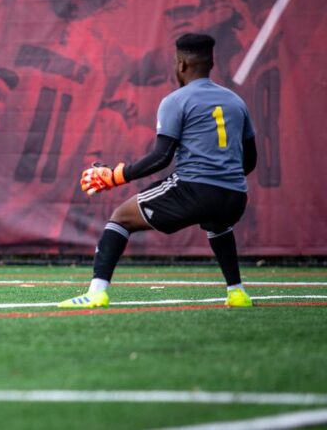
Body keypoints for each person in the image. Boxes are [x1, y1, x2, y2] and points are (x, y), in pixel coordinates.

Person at [58, 33, 257, 309]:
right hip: (235, 197)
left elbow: (161, 157)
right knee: (219, 225)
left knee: (120, 218)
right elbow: (250, 161)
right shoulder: (237, 102)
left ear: (181, 64)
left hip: (195, 191)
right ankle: (237, 292)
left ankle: (95, 294)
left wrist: (115, 176)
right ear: (211, 62)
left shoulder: (176, 100)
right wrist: (222, 182)